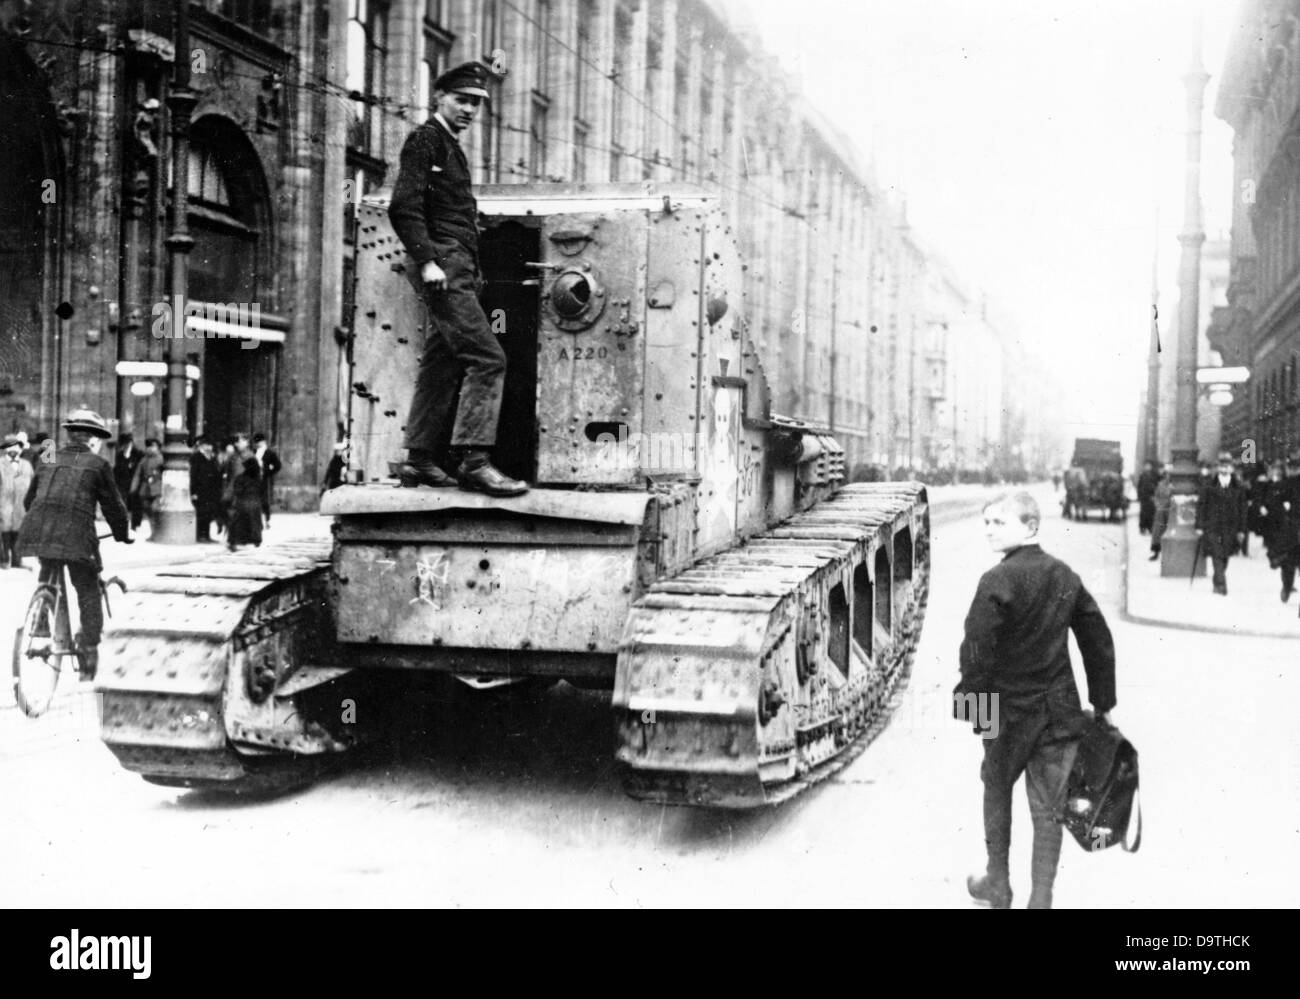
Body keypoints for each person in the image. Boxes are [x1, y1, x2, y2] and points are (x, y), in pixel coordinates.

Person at [955, 492, 1116, 910]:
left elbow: (975, 649)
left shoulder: (996, 580)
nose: (989, 530)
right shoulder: (1064, 576)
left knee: (995, 788)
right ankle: (1041, 899)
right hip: (1058, 712)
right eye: (986, 522)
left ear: (1030, 526)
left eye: (998, 522)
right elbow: (1097, 639)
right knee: (1049, 809)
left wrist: (974, 706)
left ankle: (998, 885)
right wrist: (1102, 704)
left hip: (1002, 711)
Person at [388, 61, 528, 497]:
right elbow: (402, 206)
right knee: (488, 359)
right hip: (443, 267)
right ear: (439, 98)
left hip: (455, 266)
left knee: (442, 360)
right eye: (461, 100)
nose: (469, 109)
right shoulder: (426, 140)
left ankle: (419, 459)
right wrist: (428, 261)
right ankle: (474, 460)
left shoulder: (448, 144)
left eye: (475, 104)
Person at [15, 409, 132, 679]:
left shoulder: (48, 458)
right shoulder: (98, 465)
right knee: (88, 591)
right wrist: (123, 533)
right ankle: (88, 655)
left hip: (40, 530)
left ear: (68, 434)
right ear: (92, 438)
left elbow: (29, 500)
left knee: (50, 564)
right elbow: (114, 507)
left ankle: (42, 616)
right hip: (78, 538)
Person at [1195, 451, 1248, 595]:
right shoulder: (1208, 486)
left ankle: (1217, 581)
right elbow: (1201, 506)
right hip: (1213, 526)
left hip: (1230, 528)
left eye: (1227, 466)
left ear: (1231, 468)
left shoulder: (1238, 487)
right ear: (1218, 467)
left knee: (1225, 557)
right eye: (1222, 466)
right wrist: (1199, 526)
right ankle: (1221, 585)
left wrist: (1242, 530)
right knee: (1217, 555)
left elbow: (1243, 510)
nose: (1224, 469)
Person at [0, 435, 35, 568]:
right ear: (5, 449)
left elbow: (33, 485)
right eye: (10, 446)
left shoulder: (26, 465)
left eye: (16, 446)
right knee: (4, 532)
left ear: (21, 449)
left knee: (19, 532)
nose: (13, 449)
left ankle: (17, 560)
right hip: (3, 505)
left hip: (21, 506)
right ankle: (3, 559)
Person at [224, 456, 264, 550]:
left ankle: (235, 541)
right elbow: (263, 494)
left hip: (242, 504)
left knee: (237, 523)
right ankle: (255, 540)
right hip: (255, 505)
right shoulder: (258, 479)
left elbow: (237, 491)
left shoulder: (240, 478)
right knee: (254, 523)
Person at [189, 437, 223, 543]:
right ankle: (200, 535)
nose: (209, 447)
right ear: (202, 446)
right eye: (207, 445)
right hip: (200, 490)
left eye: (210, 445)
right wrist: (193, 492)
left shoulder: (212, 457)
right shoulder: (196, 457)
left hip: (211, 491)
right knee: (201, 513)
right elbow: (193, 475)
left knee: (208, 513)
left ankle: (206, 535)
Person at [129, 438, 164, 538]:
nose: (150, 449)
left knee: (155, 509)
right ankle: (153, 533)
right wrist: (133, 488)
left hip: (157, 488)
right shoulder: (144, 460)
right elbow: (137, 475)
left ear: (157, 447)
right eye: (149, 446)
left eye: (153, 446)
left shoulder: (161, 459)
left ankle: (157, 532)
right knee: (148, 511)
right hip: (145, 489)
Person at [113, 433, 144, 530]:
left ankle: (136, 525)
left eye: (129, 442)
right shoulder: (120, 454)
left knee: (135, 504)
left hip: (134, 482)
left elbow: (140, 469)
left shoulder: (138, 454)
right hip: (122, 483)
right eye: (125, 443)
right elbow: (117, 469)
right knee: (122, 504)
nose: (127, 445)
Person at [251, 432, 282, 525]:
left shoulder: (270, 452)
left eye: (259, 442)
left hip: (264, 479)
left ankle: (267, 518)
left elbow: (278, 465)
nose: (257, 444)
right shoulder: (253, 451)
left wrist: (268, 472)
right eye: (256, 442)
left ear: (263, 442)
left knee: (264, 499)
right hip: (254, 478)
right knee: (254, 499)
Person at [1149, 464, 1172, 561]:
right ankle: (1156, 552)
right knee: (1157, 532)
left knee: (1170, 531)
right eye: (1167, 474)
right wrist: (1157, 505)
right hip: (1160, 511)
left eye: (1170, 474)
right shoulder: (1160, 484)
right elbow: (1156, 496)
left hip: (1170, 511)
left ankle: (1169, 554)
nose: (1168, 476)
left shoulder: (1174, 486)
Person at [1135, 460, 1158, 535]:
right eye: (1146, 465)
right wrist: (1139, 496)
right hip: (1144, 498)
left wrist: (1155, 495)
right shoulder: (1142, 475)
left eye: (1149, 465)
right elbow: (1139, 486)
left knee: (1151, 513)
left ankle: (1150, 528)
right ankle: (1142, 528)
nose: (1148, 467)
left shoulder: (1154, 475)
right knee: (1143, 513)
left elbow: (1156, 486)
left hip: (1151, 497)